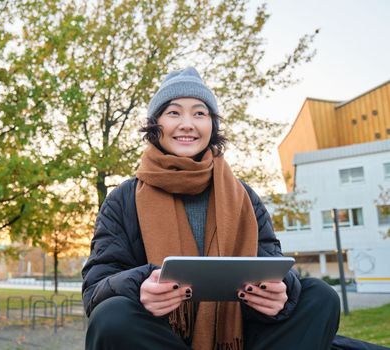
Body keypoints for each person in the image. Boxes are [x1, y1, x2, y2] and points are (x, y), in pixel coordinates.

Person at [81, 67, 340, 350]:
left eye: (200, 113)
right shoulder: (122, 199)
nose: (188, 124)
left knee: (320, 296)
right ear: (155, 125)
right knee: (111, 316)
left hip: (241, 330)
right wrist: (140, 286)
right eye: (173, 113)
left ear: (212, 126)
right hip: (157, 334)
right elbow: (96, 288)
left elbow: (270, 263)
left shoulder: (243, 195)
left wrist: (280, 294)